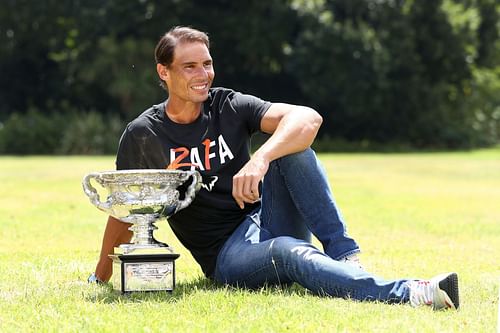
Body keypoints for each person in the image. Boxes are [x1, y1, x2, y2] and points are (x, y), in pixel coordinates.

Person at [88, 26, 459, 310]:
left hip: (266, 219)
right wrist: (99, 276)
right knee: (286, 250)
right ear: (164, 72)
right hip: (226, 256)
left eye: (207, 63)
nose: (203, 74)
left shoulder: (227, 105)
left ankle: (346, 257)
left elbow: (307, 119)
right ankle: (414, 293)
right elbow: (126, 212)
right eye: (189, 67)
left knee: (294, 149)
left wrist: (260, 158)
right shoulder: (144, 134)